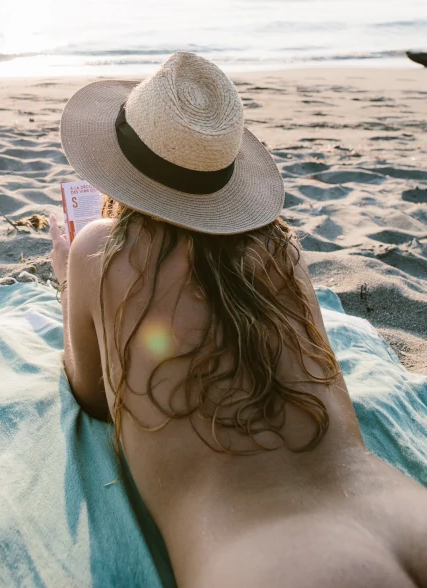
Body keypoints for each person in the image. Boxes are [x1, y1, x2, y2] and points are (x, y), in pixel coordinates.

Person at [48, 51, 427, 588]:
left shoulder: (99, 250)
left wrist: (69, 278)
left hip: (275, 559)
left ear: (118, 173)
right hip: (401, 508)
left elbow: (92, 396)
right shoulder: (282, 250)